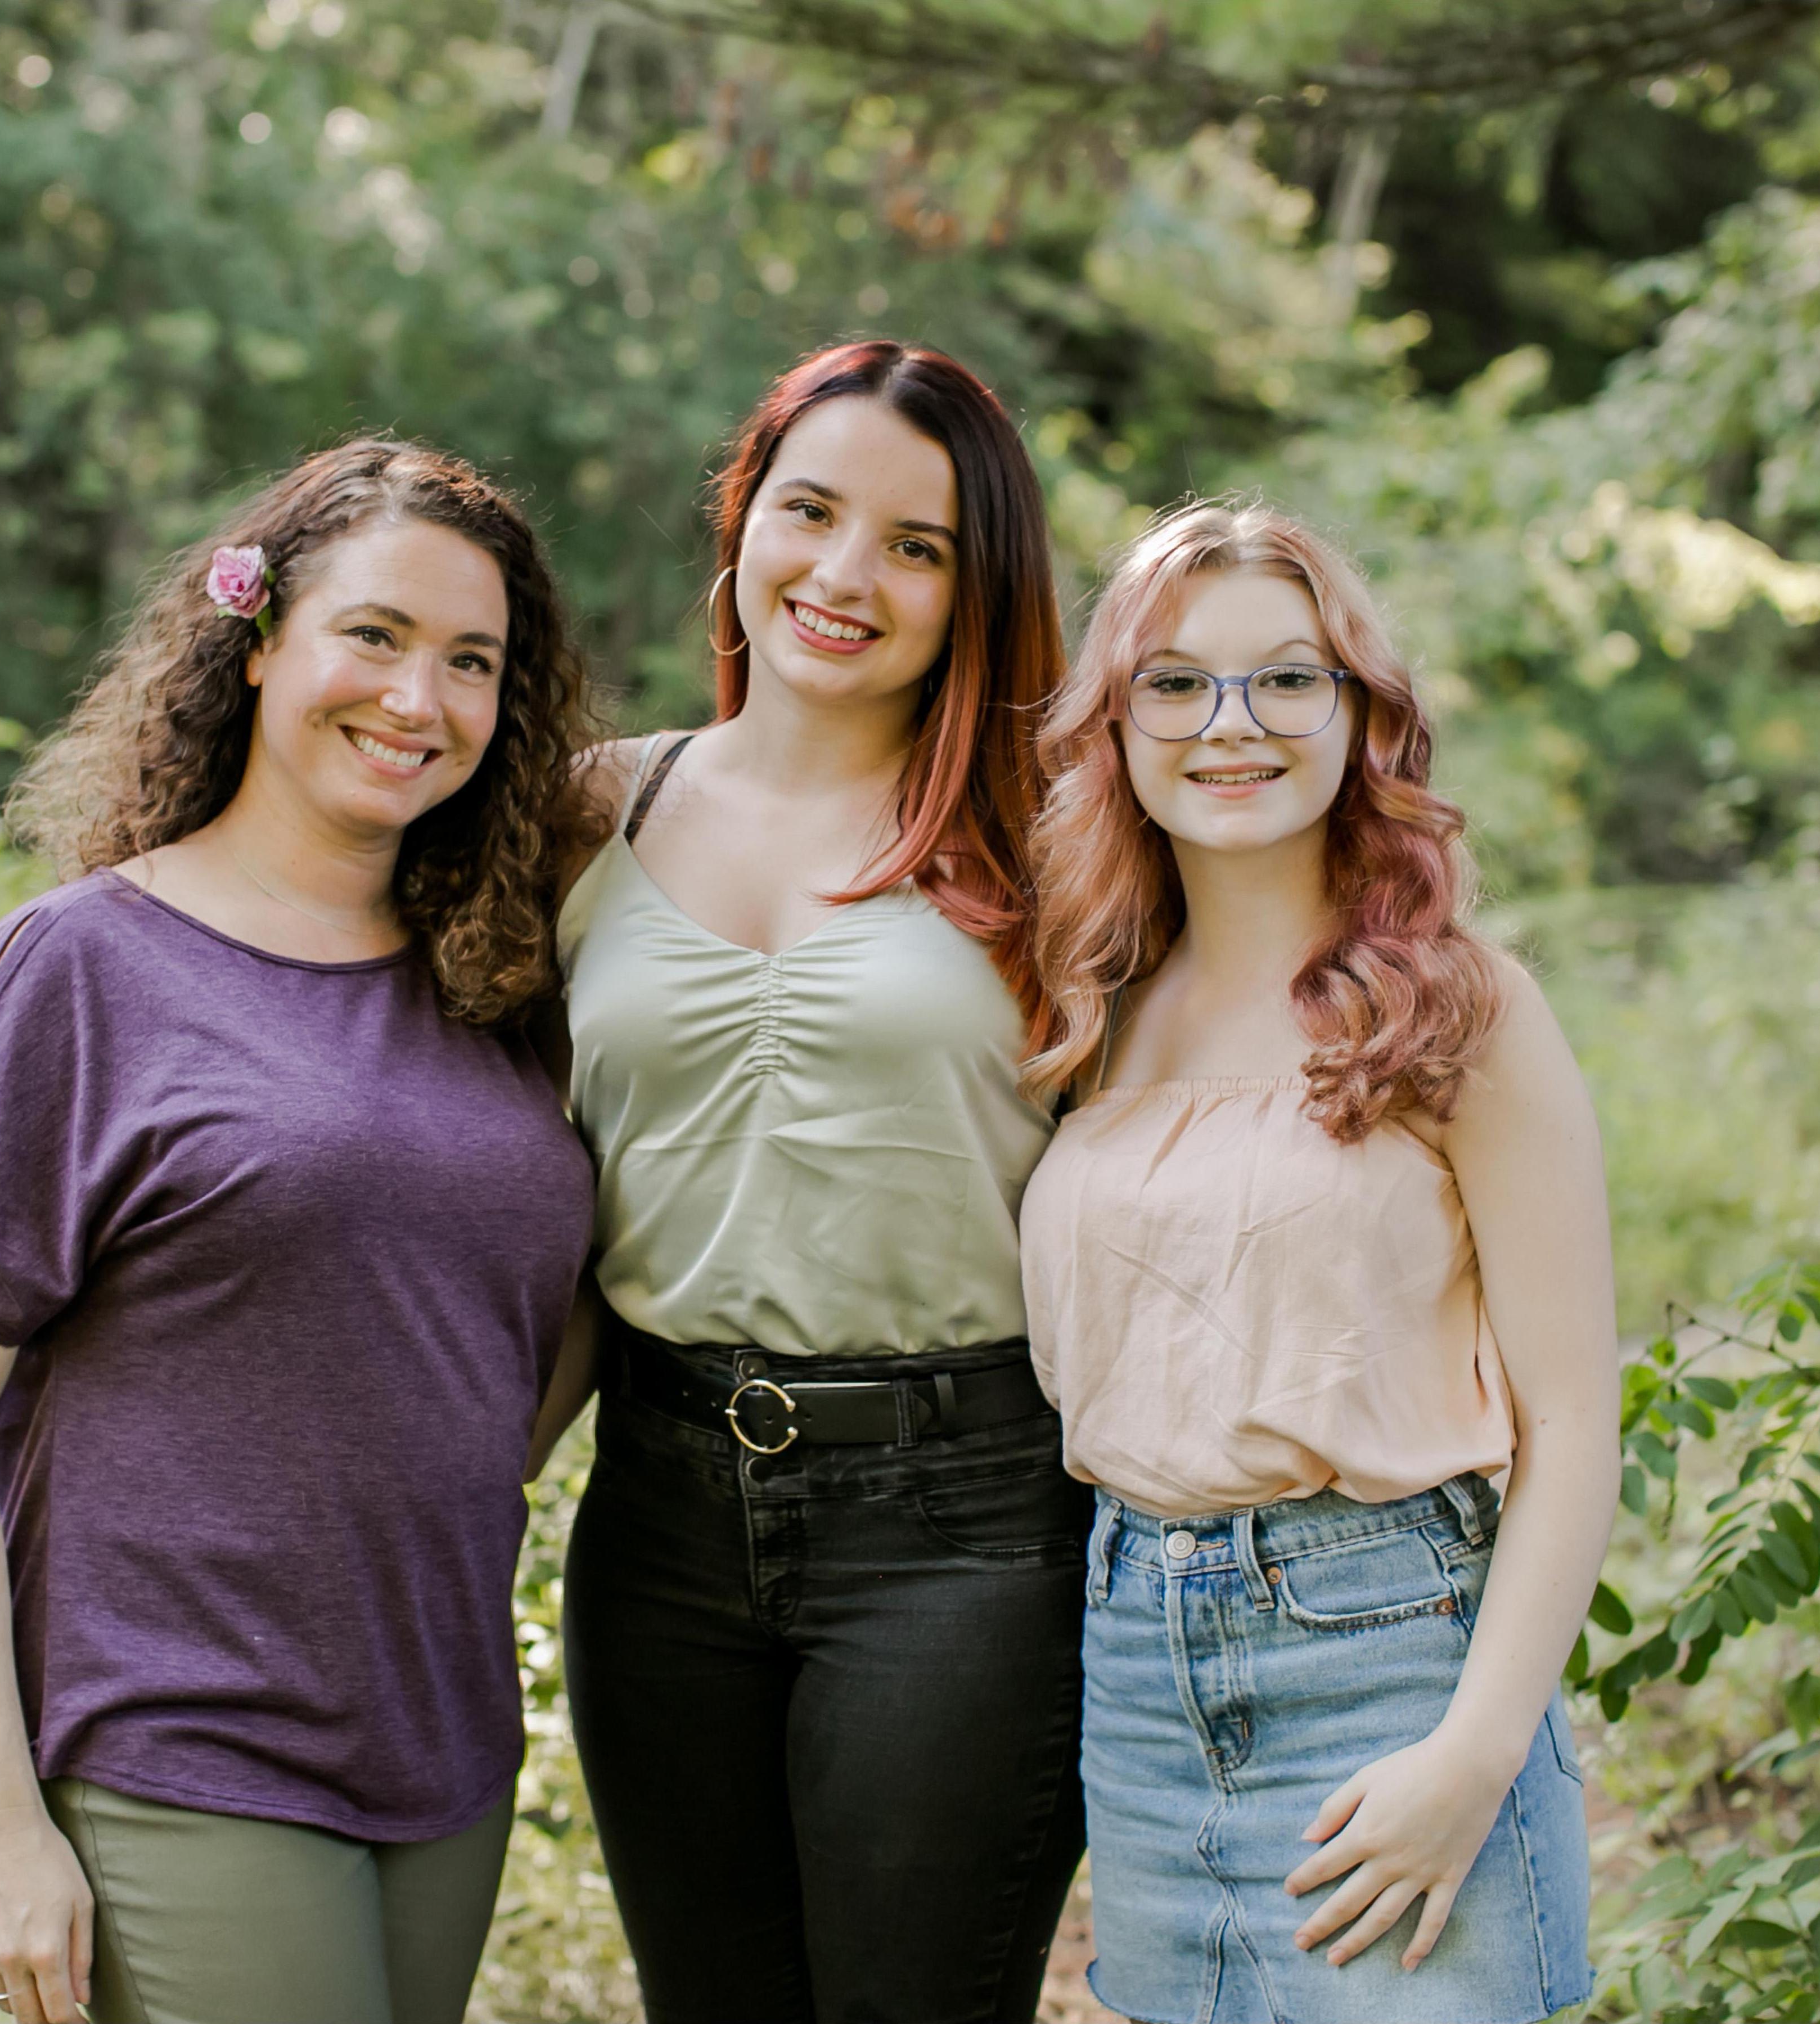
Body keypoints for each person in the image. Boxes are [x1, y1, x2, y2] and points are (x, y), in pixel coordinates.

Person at [0, 439, 600, 2024]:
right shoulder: (78, 971)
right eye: (377, 636)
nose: (421, 699)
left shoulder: (499, 994)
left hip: (445, 1748)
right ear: (259, 638)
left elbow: (544, 1314)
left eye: (473, 662)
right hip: (177, 1747)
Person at [534, 340, 1087, 2024]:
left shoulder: (1056, 844)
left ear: (972, 590)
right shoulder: (586, 813)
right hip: (660, 1508)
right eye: (812, 511)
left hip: (966, 1524)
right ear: (744, 520)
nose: (845, 576)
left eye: (914, 546)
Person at [1018, 499, 1614, 2023]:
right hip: (1140, 1671)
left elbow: (1572, 1423)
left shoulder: (1454, 1012)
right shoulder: (1092, 1016)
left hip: (1392, 1659)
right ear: (1119, 723)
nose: (1234, 724)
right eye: (1177, 681)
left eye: (1288, 678)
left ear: (1364, 717)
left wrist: (1475, 1760)